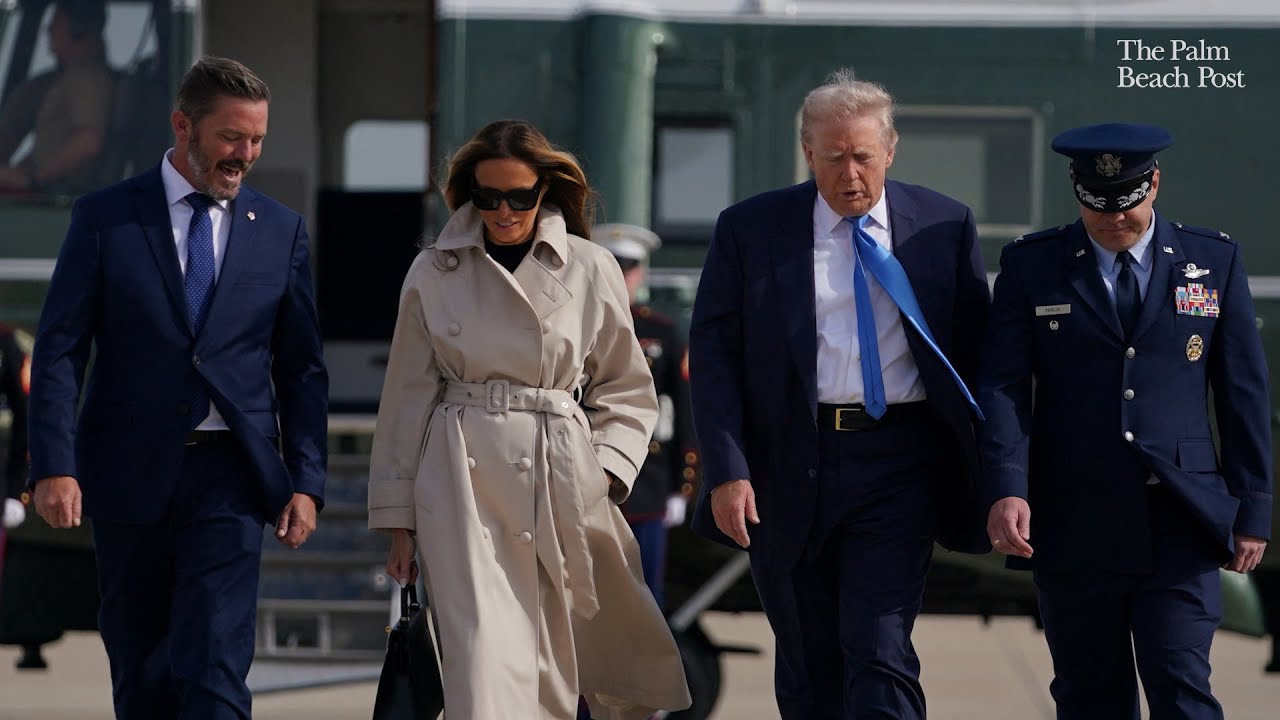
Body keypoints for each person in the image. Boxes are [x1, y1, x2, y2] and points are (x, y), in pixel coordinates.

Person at [26, 56, 328, 719]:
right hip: (127, 475)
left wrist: (306, 478)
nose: (244, 155)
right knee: (142, 669)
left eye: (256, 141)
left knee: (215, 665)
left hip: (231, 477)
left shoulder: (280, 232)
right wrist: (54, 465)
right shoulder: (105, 218)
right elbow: (59, 350)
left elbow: (302, 369)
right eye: (231, 138)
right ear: (183, 125)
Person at [687, 69, 990, 719]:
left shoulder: (942, 225)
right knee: (808, 662)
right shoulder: (751, 230)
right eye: (833, 158)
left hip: (900, 463)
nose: (850, 174)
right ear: (807, 153)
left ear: (891, 150)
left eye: (863, 157)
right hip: (789, 464)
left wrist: (1001, 471)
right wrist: (727, 470)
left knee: (880, 648)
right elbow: (714, 359)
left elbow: (978, 355)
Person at [369, 119, 689, 720]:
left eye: (520, 196)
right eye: (489, 196)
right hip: (459, 481)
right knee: (481, 658)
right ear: (469, 193)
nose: (504, 210)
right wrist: (397, 520)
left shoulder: (591, 267)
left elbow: (626, 386)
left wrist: (605, 474)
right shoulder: (433, 271)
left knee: (550, 667)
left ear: (545, 191)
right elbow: (406, 397)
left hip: (559, 475)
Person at [979, 122, 1271, 720]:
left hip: (1181, 515)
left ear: (1155, 184)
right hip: (1074, 518)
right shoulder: (1034, 266)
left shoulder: (1212, 260)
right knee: (1089, 696)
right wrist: (1008, 485)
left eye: (1128, 204)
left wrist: (1254, 510)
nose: (1114, 220)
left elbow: (1242, 392)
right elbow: (1004, 388)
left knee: (1180, 683)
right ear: (1078, 195)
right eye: (1097, 206)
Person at [594, 222, 698, 610]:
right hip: (589, 473)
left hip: (648, 477)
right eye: (613, 268)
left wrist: (681, 485)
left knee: (644, 598)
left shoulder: (662, 331)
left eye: (629, 269)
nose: (621, 278)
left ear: (640, 273)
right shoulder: (579, 326)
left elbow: (684, 405)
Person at [0, 0, 114, 195]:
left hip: (57, 196)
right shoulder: (49, 82)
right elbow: (10, 135)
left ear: (79, 28)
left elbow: (88, 142)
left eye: (56, 22)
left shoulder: (87, 78)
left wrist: (33, 179)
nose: (49, 29)